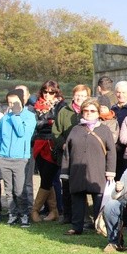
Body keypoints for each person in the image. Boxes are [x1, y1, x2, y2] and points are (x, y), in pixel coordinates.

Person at [60, 98, 116, 236]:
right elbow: (67, 152)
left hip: (97, 171)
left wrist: (110, 171)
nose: (89, 113)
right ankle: (76, 227)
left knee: (99, 199)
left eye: (92, 111)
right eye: (86, 111)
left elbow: (111, 151)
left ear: (98, 112)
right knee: (77, 199)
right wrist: (65, 171)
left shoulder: (104, 130)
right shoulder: (75, 129)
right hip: (77, 171)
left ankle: (99, 226)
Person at [0, 91, 36, 227]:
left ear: (21, 101)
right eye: (9, 103)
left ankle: (24, 214)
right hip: (4, 158)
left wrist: (16, 116)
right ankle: (13, 213)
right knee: (8, 189)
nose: (11, 105)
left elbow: (22, 133)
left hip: (20, 159)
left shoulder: (29, 117)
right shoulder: (5, 118)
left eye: (15, 102)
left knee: (20, 190)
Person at [53, 84, 91, 224]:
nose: (79, 98)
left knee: (82, 186)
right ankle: (67, 215)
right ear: (73, 95)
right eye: (77, 95)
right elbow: (56, 131)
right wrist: (63, 144)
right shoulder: (64, 111)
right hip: (67, 154)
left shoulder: (90, 110)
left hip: (83, 155)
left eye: (83, 95)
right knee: (66, 184)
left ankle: (84, 216)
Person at [30, 81, 64, 222]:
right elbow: (35, 124)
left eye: (51, 92)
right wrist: (46, 122)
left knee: (47, 178)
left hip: (52, 144)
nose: (47, 95)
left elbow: (58, 124)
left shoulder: (61, 105)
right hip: (39, 142)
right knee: (45, 177)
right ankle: (54, 211)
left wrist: (46, 122)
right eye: (45, 91)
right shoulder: (36, 105)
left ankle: (35, 211)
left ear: (56, 92)